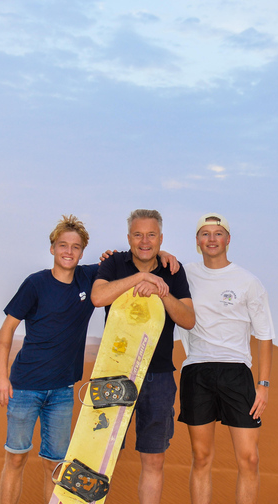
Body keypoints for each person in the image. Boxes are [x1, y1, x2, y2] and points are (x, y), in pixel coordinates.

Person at [90, 208, 195, 504]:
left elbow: (188, 319)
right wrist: (140, 277)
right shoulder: (113, 263)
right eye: (138, 235)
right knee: (99, 456)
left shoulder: (174, 271)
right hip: (114, 373)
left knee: (153, 461)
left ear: (160, 238)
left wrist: (162, 292)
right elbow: (99, 297)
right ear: (129, 238)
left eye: (151, 235)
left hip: (159, 376)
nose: (144, 241)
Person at [0, 214, 98, 504]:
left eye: (76, 246)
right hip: (25, 387)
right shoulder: (35, 284)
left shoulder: (90, 278)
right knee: (15, 460)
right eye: (63, 245)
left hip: (62, 392)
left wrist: (160, 253)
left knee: (55, 467)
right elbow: (7, 331)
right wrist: (1, 376)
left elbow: (130, 260)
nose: (69, 251)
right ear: (52, 248)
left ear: (82, 251)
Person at [177, 213, 275, 504]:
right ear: (197, 241)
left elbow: (265, 335)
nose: (211, 239)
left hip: (236, 373)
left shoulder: (248, 282)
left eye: (218, 233)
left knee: (249, 459)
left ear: (228, 239)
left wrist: (264, 384)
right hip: (197, 370)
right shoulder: (184, 274)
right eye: (205, 233)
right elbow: (149, 261)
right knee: (202, 457)